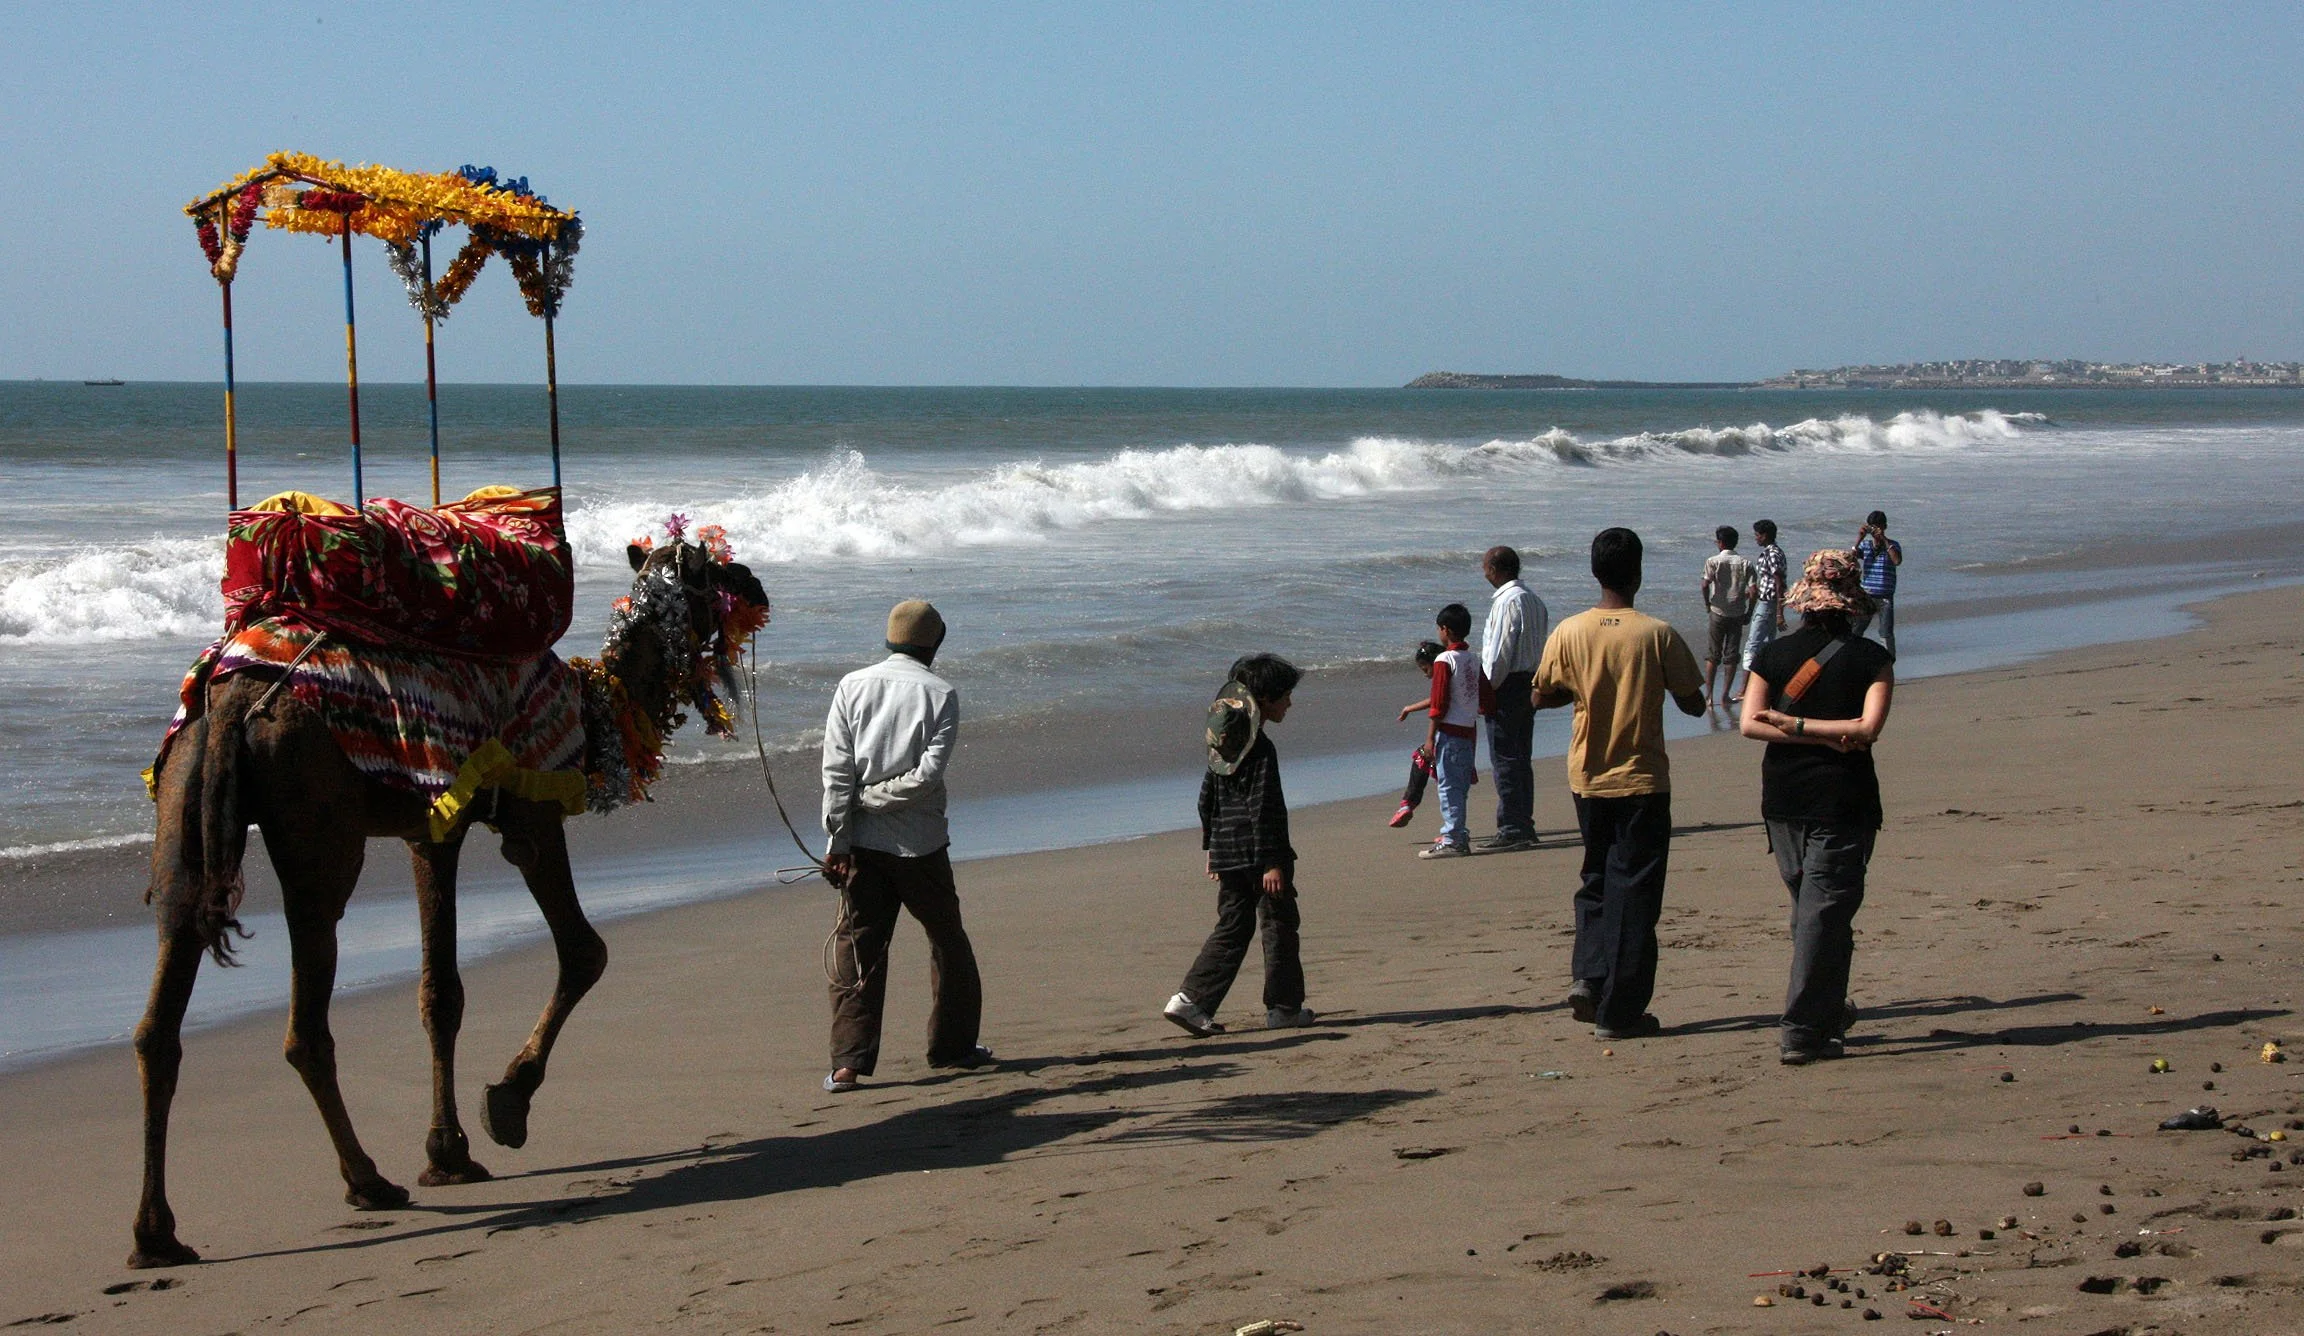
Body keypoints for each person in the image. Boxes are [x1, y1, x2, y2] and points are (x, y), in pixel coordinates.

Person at [1532, 528, 1706, 1040]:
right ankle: (1620, 1010)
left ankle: (1589, 975)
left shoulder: (1569, 631)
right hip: (1642, 776)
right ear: (1639, 572)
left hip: (1587, 775)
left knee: (1596, 877)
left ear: (1594, 572)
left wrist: (1587, 692)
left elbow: (1542, 696)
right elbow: (1693, 701)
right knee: (1636, 893)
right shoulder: (1657, 634)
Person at [819, 600, 990, 1092]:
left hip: (862, 843)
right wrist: (874, 802)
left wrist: (840, 835)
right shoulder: (942, 692)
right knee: (948, 943)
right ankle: (953, 1048)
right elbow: (927, 776)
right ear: (934, 644)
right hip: (921, 845)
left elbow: (835, 769)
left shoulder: (853, 685)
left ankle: (847, 1063)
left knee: (858, 950)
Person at [1738, 550, 1895, 1065]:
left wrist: (1796, 728)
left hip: (1782, 800)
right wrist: (1828, 738)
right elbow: (1867, 730)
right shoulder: (1873, 659)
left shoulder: (1773, 655)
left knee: (1812, 910)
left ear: (1805, 602)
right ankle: (1804, 1029)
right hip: (1842, 800)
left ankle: (1825, 1011)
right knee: (1822, 915)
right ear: (1851, 605)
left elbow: (1749, 723)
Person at [1166, 654, 1313, 1036]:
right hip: (1260, 855)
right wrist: (1272, 862)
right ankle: (1284, 1007)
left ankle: (1190, 1000)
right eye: (1285, 697)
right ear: (1263, 700)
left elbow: (1206, 801)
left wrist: (1213, 851)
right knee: (1279, 925)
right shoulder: (1261, 749)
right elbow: (1263, 808)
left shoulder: (1223, 747)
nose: (1289, 704)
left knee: (1233, 926)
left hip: (1228, 851)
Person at [1479, 546, 1549, 850]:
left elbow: (1498, 656)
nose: (1484, 573)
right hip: (1528, 682)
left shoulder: (1508, 602)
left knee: (1506, 757)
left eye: (1485, 567)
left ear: (1496, 569)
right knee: (1520, 757)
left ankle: (1512, 826)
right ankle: (1523, 822)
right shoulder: (1534, 600)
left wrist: (1485, 690)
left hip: (1507, 686)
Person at [1417, 603, 1493, 859]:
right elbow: (1485, 695)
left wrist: (1429, 738)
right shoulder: (1473, 659)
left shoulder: (1444, 660)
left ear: (1445, 630)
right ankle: (1458, 831)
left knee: (1448, 786)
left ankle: (1453, 837)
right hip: (1469, 731)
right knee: (1459, 786)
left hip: (1449, 731)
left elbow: (1438, 703)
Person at [1388, 640, 1445, 828]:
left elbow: (1436, 708)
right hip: (1464, 733)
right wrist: (1409, 708)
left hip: (1451, 735)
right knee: (1439, 776)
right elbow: (1434, 701)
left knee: (1426, 761)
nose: (1426, 675)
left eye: (1426, 669)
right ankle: (1407, 806)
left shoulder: (1444, 676)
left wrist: (1429, 739)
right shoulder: (1454, 671)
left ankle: (1408, 806)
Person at [1699, 525, 1755, 707]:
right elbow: (1754, 590)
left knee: (1713, 655)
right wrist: (1750, 611)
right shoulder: (1745, 562)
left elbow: (1705, 585)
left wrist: (1707, 603)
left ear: (1720, 543)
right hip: (1737, 612)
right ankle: (1725, 695)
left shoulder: (1713, 561)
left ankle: (1708, 696)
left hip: (1718, 611)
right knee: (1731, 655)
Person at [1738, 518, 1788, 699]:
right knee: (1767, 644)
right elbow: (1770, 581)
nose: (1756, 539)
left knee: (1752, 645)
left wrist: (1780, 612)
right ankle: (1764, 686)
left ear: (1765, 536)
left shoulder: (1771, 554)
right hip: (1769, 602)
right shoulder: (1774, 552)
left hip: (1769, 604)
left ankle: (1745, 688)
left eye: (1757, 535)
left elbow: (1778, 581)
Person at [1850, 510, 1903, 656]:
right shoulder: (1866, 546)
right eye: (1872, 528)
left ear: (1884, 526)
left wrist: (1885, 540)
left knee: (1886, 631)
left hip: (1885, 596)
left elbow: (1897, 561)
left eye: (1877, 527)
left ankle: (1888, 661)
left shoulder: (1893, 545)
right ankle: (1850, 657)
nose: (1874, 531)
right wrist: (1859, 538)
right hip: (1867, 595)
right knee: (1856, 629)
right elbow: (1850, 559)